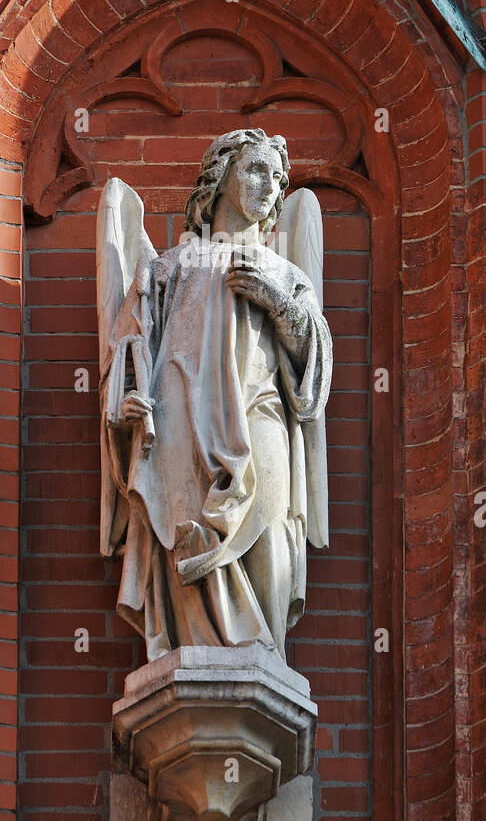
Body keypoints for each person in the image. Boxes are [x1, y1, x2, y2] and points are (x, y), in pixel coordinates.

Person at [99, 129, 332, 661]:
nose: (268, 186)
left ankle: (264, 656)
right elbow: (130, 353)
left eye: (276, 178)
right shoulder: (168, 268)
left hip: (261, 417)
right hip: (180, 421)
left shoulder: (286, 273)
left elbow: (313, 378)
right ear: (219, 178)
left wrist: (280, 304)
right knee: (185, 528)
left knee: (270, 530)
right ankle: (189, 652)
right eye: (254, 170)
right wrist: (126, 410)